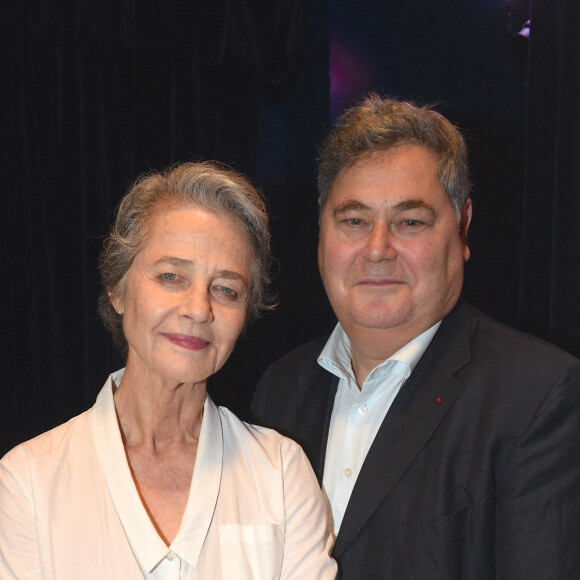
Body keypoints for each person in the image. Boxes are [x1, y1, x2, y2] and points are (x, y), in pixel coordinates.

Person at [252, 95, 580, 578]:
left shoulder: (537, 396)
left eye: (410, 221)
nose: (378, 249)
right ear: (321, 229)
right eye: (355, 220)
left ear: (463, 227)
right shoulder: (278, 391)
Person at [0, 161, 337, 579]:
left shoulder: (282, 474)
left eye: (226, 289)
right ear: (117, 289)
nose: (199, 309)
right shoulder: (28, 481)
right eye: (171, 276)